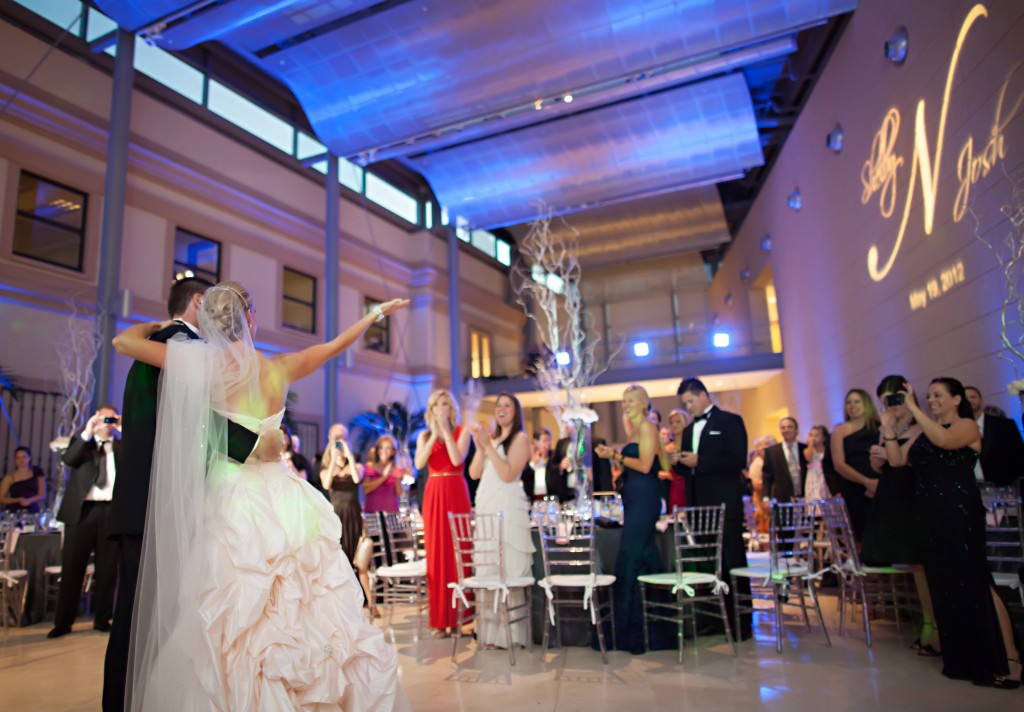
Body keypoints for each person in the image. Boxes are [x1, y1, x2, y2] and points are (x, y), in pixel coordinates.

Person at [111, 282, 410, 709]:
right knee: (306, 600)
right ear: (251, 320)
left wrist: (160, 323)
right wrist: (375, 314)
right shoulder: (279, 368)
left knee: (229, 607)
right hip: (284, 496)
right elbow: (335, 344)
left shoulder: (203, 365)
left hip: (232, 495)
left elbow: (125, 342)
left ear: (211, 322)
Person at [102, 277, 268, 712]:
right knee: (148, 619)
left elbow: (124, 341)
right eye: (213, 303)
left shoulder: (159, 338)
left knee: (141, 618)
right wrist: (255, 445)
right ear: (199, 301)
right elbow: (200, 425)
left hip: (139, 500)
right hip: (155, 505)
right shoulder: (183, 345)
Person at [883, 377, 1020, 688]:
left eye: (937, 395)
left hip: (959, 515)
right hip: (930, 519)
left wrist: (914, 409)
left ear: (957, 399)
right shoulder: (922, 431)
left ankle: (1009, 659)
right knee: (945, 586)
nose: (931, 399)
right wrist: (889, 427)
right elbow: (896, 460)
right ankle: (964, 659)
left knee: (976, 582)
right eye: (928, 395)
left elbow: (944, 442)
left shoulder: (967, 427)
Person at [676, 377, 751, 639]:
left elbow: (737, 460)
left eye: (691, 401)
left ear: (704, 395)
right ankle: (712, 619)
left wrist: (701, 461)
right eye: (685, 403)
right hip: (699, 509)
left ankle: (742, 622)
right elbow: (687, 469)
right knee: (707, 564)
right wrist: (679, 461)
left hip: (724, 505)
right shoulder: (687, 431)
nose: (689, 407)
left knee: (732, 561)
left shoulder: (730, 421)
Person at [595, 385, 668, 653]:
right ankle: (654, 626)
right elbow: (630, 463)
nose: (625, 405)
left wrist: (615, 455)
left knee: (630, 555)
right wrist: (612, 456)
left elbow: (646, 466)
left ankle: (629, 630)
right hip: (634, 498)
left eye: (630, 400)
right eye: (624, 400)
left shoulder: (648, 427)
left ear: (643, 403)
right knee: (645, 556)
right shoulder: (633, 431)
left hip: (645, 498)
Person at [468, 393, 534, 649]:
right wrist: (481, 446)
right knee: (489, 569)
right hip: (486, 506)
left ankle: (512, 636)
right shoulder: (492, 440)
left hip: (507, 508)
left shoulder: (521, 439)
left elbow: (507, 474)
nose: (502, 409)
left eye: (507, 405)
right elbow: (474, 473)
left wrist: (490, 448)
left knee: (509, 568)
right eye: (498, 406)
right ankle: (491, 635)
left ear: (515, 412)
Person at [49, 405, 121, 638]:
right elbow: (69, 459)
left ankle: (102, 619)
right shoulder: (83, 444)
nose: (106, 422)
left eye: (110, 418)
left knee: (108, 568)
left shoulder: (121, 446)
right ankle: (63, 622)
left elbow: (143, 458)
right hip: (82, 512)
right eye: (102, 418)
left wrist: (124, 429)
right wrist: (88, 431)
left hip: (111, 511)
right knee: (72, 567)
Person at [414, 388, 472, 638]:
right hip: (434, 492)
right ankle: (439, 619)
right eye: (437, 405)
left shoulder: (462, 432)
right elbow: (418, 464)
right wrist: (434, 435)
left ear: (452, 409)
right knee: (437, 555)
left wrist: (446, 433)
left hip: (455, 490)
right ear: (431, 410)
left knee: (458, 551)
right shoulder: (423, 435)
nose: (442, 409)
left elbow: (457, 459)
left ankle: (461, 617)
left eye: (446, 404)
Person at [830, 388, 880, 541]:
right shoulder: (840, 431)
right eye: (848, 403)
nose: (852, 406)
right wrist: (866, 482)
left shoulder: (879, 426)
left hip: (879, 485)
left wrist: (876, 483)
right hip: (854, 488)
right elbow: (839, 464)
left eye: (857, 402)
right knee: (861, 533)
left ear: (866, 404)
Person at [320, 424, 363, 565]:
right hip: (336, 514)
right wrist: (333, 459)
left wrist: (349, 456)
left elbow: (357, 479)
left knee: (353, 551)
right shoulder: (326, 467)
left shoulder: (356, 463)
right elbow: (326, 485)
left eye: (342, 438)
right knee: (337, 555)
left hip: (353, 513)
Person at [965, 386, 1024, 486]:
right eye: (965, 398)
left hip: (1004, 488)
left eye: (973, 397)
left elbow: (1019, 458)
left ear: (981, 401)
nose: (969, 400)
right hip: (971, 489)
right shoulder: (956, 430)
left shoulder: (1004, 425)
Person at [761, 417, 806, 502]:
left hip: (804, 497)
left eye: (789, 427)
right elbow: (767, 477)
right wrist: (765, 497)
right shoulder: (771, 452)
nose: (786, 430)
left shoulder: (805, 449)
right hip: (782, 498)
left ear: (796, 430)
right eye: (783, 427)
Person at [363, 434, 404, 515]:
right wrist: (384, 476)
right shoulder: (370, 466)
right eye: (381, 448)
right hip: (373, 513)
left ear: (393, 451)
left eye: (388, 448)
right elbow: (366, 490)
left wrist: (400, 477)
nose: (384, 451)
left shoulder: (397, 469)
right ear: (377, 450)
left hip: (391, 512)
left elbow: (399, 494)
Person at [0, 446, 46, 513]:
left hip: (32, 509)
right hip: (14, 510)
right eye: (18, 458)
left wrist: (29, 500)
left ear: (29, 458)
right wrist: (17, 500)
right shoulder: (9, 477)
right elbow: (1, 498)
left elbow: (42, 495)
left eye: (24, 457)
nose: (21, 460)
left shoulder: (37, 472)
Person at [662, 409, 690, 511]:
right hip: (675, 487)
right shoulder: (667, 448)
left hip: (690, 485)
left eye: (678, 422)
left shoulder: (691, 445)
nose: (674, 425)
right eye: (671, 422)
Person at [803, 425, 832, 503]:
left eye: (816, 435)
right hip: (813, 477)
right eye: (811, 435)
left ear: (824, 438)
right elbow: (809, 458)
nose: (813, 438)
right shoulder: (807, 450)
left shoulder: (827, 450)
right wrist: (810, 444)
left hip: (824, 475)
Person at [522, 427, 551, 501]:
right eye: (544, 441)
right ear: (535, 442)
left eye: (548, 440)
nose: (547, 444)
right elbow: (524, 478)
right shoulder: (527, 459)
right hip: (533, 499)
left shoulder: (553, 458)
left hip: (549, 499)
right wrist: (534, 463)